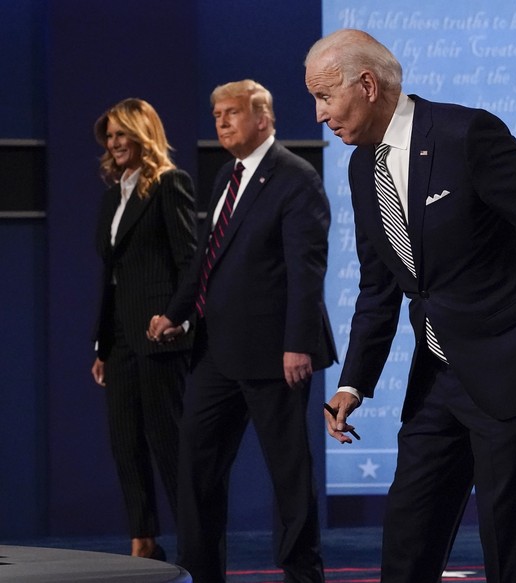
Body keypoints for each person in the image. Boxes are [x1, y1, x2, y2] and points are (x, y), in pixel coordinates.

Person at [305, 29, 516, 583]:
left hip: (508, 362)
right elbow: (379, 287)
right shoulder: (360, 169)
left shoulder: (464, 133)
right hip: (438, 375)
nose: (319, 114)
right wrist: (353, 383)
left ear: (368, 85)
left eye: (325, 97)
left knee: (509, 546)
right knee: (408, 539)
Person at [148, 79, 337, 583]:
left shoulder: (296, 179)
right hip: (216, 352)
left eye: (231, 113)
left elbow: (306, 270)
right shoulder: (226, 178)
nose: (222, 122)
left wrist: (298, 343)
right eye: (216, 115)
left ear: (264, 118)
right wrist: (176, 313)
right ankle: (200, 572)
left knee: (288, 475)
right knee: (197, 468)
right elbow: (207, 261)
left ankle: (302, 573)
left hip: (276, 354)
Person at [91, 98, 197, 560]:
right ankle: (144, 541)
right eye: (109, 136)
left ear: (142, 134)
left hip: (159, 335)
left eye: (121, 134)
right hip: (119, 340)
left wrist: (178, 317)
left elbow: (190, 261)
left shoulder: (170, 184)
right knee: (125, 442)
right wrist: (102, 344)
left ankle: (196, 541)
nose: (114, 143)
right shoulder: (113, 195)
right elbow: (111, 278)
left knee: (167, 442)